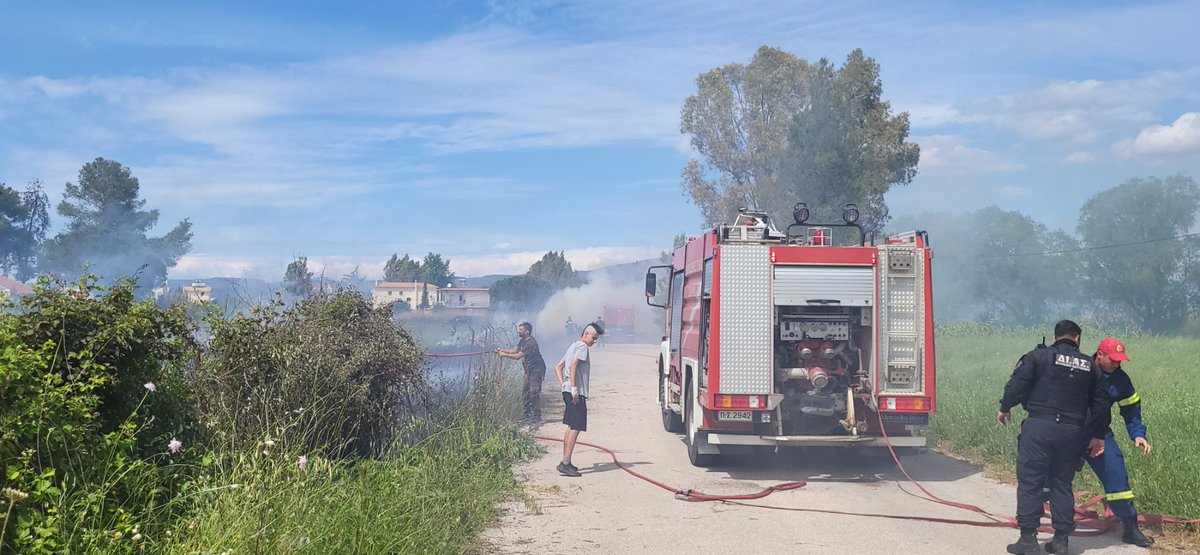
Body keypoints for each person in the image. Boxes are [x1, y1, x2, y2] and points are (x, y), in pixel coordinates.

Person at [998, 320, 1111, 555]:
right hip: (1072, 432)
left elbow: (1017, 384)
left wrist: (1005, 407)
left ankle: (1028, 539)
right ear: (1078, 338)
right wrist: (1099, 436)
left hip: (1039, 427)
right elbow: (1101, 404)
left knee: (1031, 482)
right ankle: (1060, 541)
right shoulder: (1091, 366)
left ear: (1054, 337)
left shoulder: (1038, 357)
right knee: (1062, 484)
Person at [1080, 337, 1154, 548]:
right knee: (1053, 476)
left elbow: (1131, 408)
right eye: (1113, 360)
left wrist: (1138, 434)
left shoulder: (1120, 379)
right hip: (1069, 432)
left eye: (1120, 360)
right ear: (1100, 354)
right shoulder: (1080, 368)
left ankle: (1130, 528)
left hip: (1099, 434)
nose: (1117, 364)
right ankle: (1034, 524)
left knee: (1116, 473)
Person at [553, 322, 604, 477]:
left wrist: (564, 385)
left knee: (571, 426)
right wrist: (574, 389)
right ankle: (565, 463)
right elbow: (574, 364)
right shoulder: (582, 347)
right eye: (593, 338)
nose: (594, 341)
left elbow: (558, 367)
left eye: (596, 339)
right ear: (585, 334)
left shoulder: (572, 347)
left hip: (568, 391)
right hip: (576, 393)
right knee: (576, 427)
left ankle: (566, 461)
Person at [496, 322, 547, 421]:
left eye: (521, 330)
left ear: (527, 331)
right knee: (525, 392)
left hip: (536, 369)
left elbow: (517, 356)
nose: (518, 331)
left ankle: (536, 416)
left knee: (534, 391)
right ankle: (526, 414)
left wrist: (504, 355)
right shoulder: (523, 341)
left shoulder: (531, 343)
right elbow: (515, 351)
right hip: (529, 370)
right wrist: (502, 350)